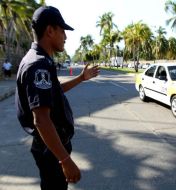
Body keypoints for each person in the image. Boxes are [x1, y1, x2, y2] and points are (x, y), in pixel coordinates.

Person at [15, 6, 99, 190]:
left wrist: (81, 78)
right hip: (51, 152)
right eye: (62, 31)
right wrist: (65, 160)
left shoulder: (38, 60)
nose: (66, 37)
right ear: (50, 31)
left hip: (50, 147)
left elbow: (53, 92)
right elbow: (42, 120)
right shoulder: (38, 65)